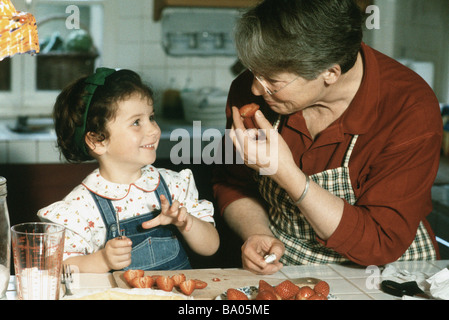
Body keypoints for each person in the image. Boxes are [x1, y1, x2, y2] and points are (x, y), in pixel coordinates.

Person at [212, 0, 443, 274]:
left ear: (330, 72)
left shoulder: (409, 108)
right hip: (285, 264)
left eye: (272, 80)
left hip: (382, 273)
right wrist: (256, 232)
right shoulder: (250, 93)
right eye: (253, 71)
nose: (255, 88)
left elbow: (381, 242)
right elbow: (233, 183)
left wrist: (286, 173)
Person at [38, 68, 219, 273]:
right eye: (136, 122)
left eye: (151, 117)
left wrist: (187, 221)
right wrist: (103, 260)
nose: (153, 129)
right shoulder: (81, 208)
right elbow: (59, 268)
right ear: (97, 140)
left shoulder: (173, 184)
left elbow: (211, 247)